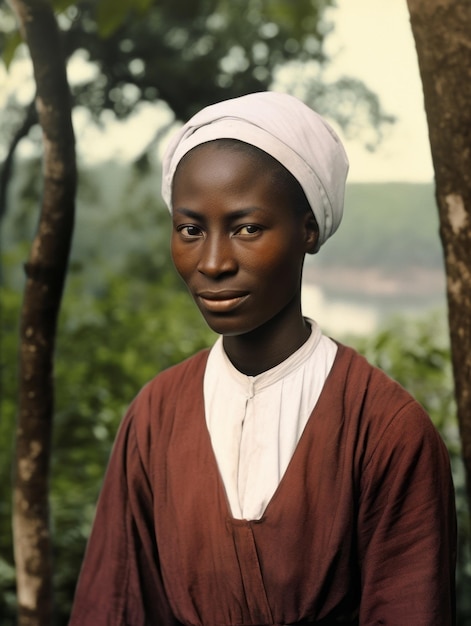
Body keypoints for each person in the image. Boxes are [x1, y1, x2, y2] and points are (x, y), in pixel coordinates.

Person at [69, 91, 456, 626]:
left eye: (247, 228)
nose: (213, 262)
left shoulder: (387, 431)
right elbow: (112, 606)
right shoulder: (155, 418)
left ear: (308, 231)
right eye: (190, 230)